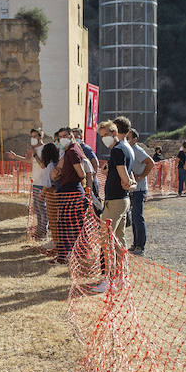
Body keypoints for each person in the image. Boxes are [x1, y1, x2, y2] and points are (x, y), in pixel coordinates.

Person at [99, 117, 136, 286]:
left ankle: (109, 278)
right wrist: (130, 184)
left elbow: (125, 177)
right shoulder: (127, 148)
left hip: (115, 200)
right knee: (120, 238)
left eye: (105, 134)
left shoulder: (117, 150)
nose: (103, 138)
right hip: (122, 200)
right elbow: (130, 178)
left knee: (106, 239)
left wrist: (127, 183)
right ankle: (121, 276)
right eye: (101, 136)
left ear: (114, 132)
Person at [49, 127, 91, 264]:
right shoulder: (69, 151)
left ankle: (74, 255)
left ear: (71, 136)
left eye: (65, 136)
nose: (62, 139)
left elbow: (82, 174)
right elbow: (57, 170)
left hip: (72, 193)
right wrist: (58, 172)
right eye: (60, 137)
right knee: (67, 225)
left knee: (70, 225)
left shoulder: (73, 151)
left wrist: (60, 173)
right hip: (67, 192)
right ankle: (68, 255)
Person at [126, 128, 149, 255]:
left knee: (138, 217)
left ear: (135, 139)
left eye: (128, 137)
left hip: (139, 189)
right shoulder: (129, 149)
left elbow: (150, 163)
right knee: (134, 218)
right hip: (133, 189)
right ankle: (136, 244)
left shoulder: (138, 150)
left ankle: (141, 246)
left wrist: (140, 177)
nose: (126, 139)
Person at [31, 140, 57, 240]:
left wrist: (42, 193)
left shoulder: (50, 166)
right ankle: (40, 231)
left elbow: (48, 182)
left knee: (44, 212)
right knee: (40, 211)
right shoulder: (52, 165)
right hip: (46, 191)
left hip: (47, 192)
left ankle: (43, 233)